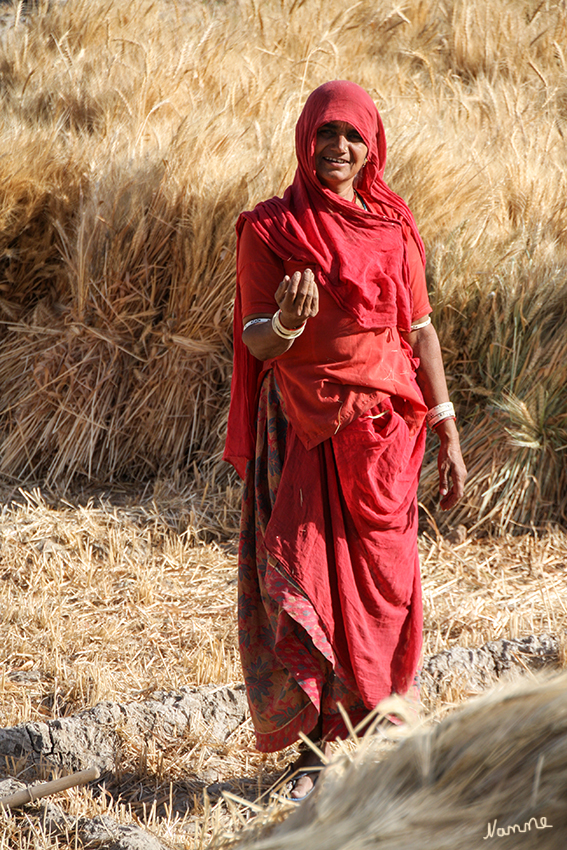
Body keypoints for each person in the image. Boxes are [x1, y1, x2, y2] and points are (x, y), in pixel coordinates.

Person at [223, 80, 466, 799]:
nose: (336, 148)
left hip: (383, 436)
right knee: (299, 585)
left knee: (383, 588)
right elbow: (255, 338)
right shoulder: (271, 229)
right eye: (324, 134)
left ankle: (377, 740)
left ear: (372, 146)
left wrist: (447, 424)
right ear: (304, 140)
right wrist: (289, 327)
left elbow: (418, 331)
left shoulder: (393, 227)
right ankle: (311, 756)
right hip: (299, 425)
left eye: (351, 136)